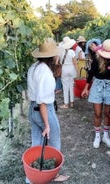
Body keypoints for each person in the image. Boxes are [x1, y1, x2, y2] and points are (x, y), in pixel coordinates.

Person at [26, 38, 69, 182]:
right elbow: (43, 102)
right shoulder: (46, 74)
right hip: (43, 110)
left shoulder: (34, 67)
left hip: (32, 108)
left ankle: (32, 177)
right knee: (54, 143)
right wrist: (48, 125)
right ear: (53, 56)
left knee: (37, 144)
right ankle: (53, 174)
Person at [81, 39, 110, 149]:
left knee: (107, 113)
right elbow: (90, 74)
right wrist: (86, 88)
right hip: (98, 86)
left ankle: (106, 136)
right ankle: (98, 136)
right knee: (98, 113)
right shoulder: (97, 59)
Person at [59, 36, 78, 108]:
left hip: (64, 68)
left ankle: (66, 103)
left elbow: (57, 61)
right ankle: (72, 102)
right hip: (72, 68)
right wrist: (78, 72)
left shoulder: (60, 52)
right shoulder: (72, 52)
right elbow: (75, 63)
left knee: (65, 87)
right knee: (72, 86)